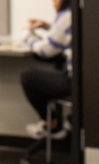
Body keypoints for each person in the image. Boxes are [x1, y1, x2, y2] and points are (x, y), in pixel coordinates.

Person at [20, 0, 72, 140]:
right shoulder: (77, 13)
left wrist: (26, 35)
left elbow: (45, 51)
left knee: (28, 77)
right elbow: (64, 35)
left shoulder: (67, 16)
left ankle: (53, 124)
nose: (53, 2)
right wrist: (47, 26)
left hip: (72, 81)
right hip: (85, 78)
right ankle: (65, 121)